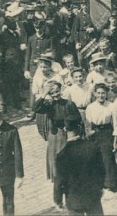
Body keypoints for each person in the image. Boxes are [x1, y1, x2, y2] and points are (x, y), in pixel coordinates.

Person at [33, 80, 82, 211]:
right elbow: (35, 108)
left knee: (71, 169)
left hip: (69, 135)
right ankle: (58, 200)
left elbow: (78, 118)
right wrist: (44, 93)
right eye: (52, 92)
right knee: (58, 171)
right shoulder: (48, 105)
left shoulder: (69, 103)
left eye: (57, 91)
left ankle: (72, 198)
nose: (55, 94)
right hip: (55, 138)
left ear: (61, 90)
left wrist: (68, 124)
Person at [56, 111, 105, 216]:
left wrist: (58, 200)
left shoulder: (61, 155)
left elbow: (59, 181)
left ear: (65, 129)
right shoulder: (93, 147)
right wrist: (100, 187)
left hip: (74, 201)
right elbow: (101, 170)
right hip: (93, 197)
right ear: (80, 127)